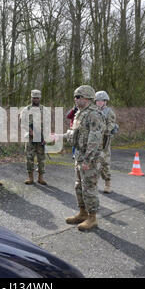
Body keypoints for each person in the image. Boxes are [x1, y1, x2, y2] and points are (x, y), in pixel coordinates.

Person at [52, 85, 105, 231]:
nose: (75, 99)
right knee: (79, 186)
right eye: (75, 97)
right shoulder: (80, 113)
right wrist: (59, 136)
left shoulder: (95, 114)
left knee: (89, 188)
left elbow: (95, 139)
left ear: (87, 98)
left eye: (78, 97)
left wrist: (88, 160)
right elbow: (73, 134)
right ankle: (82, 213)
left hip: (90, 158)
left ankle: (92, 218)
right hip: (79, 155)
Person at [20, 89, 47, 185]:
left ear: (40, 98)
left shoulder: (44, 110)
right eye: (34, 98)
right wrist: (29, 130)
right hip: (30, 138)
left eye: (37, 98)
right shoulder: (26, 110)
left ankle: (40, 177)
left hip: (41, 137)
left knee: (41, 158)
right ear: (31, 98)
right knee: (29, 157)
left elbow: (48, 124)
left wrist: (46, 137)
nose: (35, 99)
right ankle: (30, 177)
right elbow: (22, 123)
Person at [95, 91, 118, 193]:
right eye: (97, 101)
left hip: (105, 141)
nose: (99, 102)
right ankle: (93, 184)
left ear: (105, 101)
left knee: (105, 163)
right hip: (94, 141)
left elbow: (111, 124)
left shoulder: (109, 112)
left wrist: (103, 131)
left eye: (101, 101)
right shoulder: (94, 111)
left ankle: (107, 184)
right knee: (94, 163)